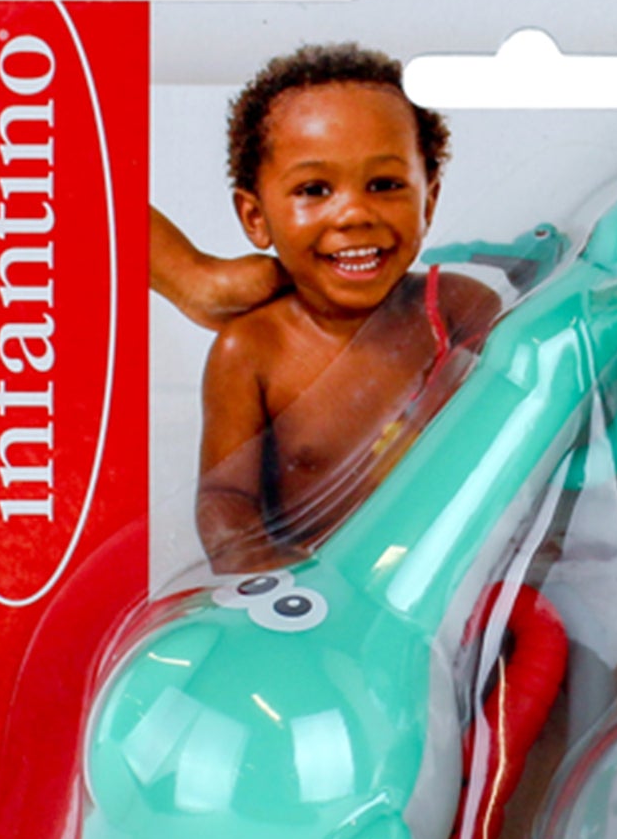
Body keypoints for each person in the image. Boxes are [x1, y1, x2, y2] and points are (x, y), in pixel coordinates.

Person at [158, 44, 500, 573]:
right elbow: (226, 499)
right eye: (315, 189)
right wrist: (262, 571)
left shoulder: (456, 309)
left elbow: (527, 431)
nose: (355, 213)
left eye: (385, 185)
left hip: (449, 581)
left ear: (428, 201)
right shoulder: (251, 350)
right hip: (321, 596)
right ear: (255, 217)